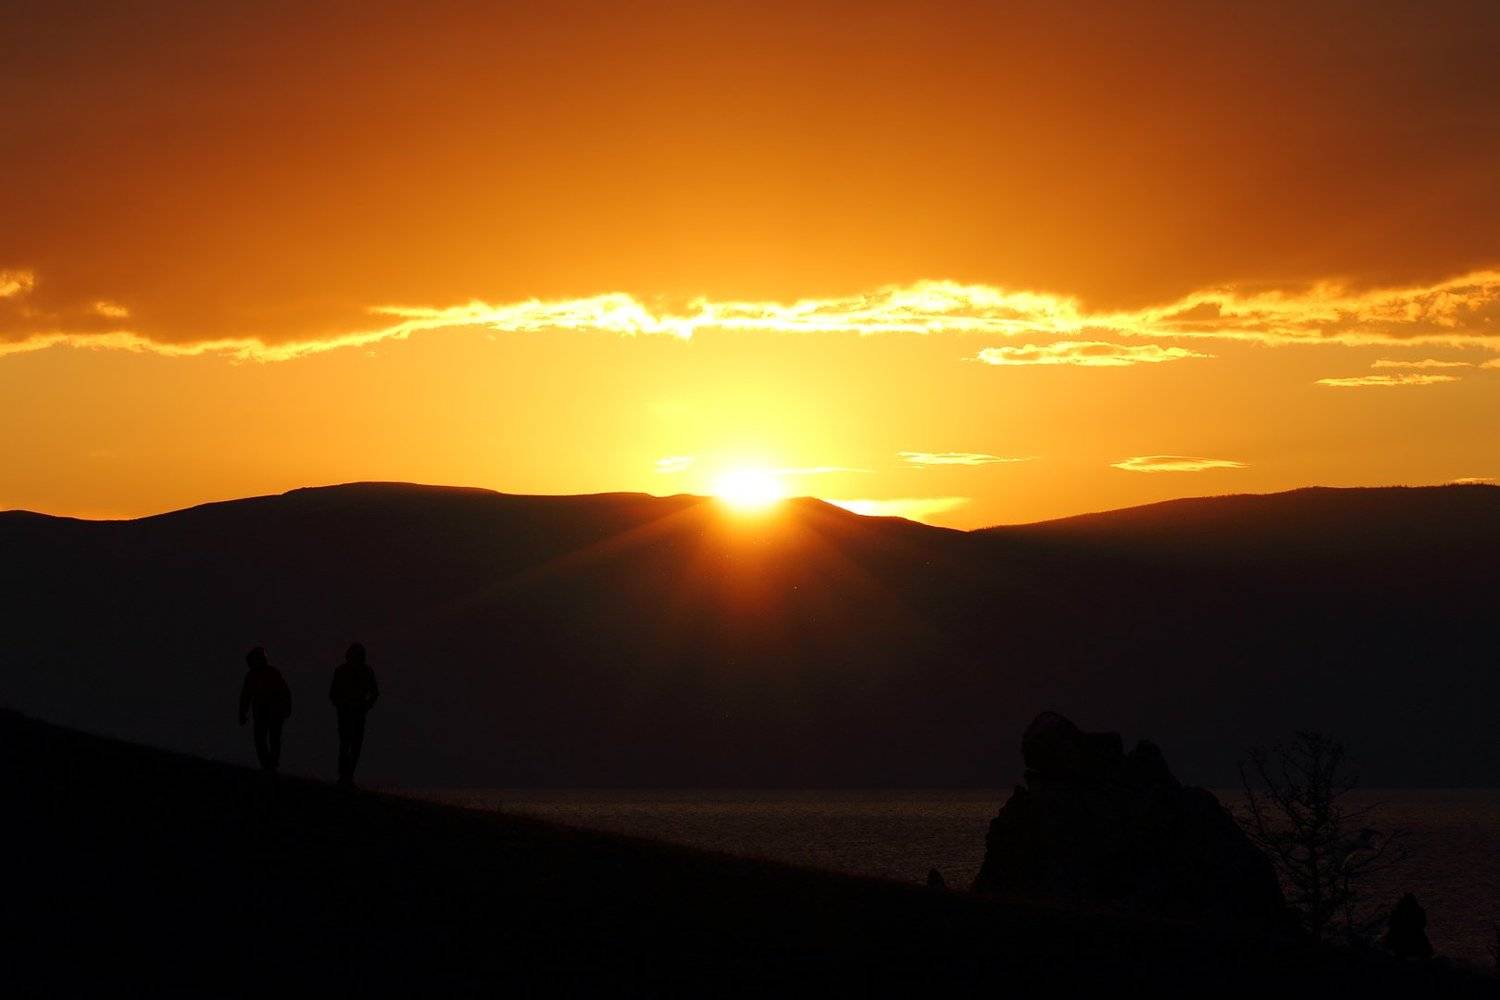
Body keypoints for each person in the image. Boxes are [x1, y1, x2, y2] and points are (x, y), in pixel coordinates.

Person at [329, 642, 379, 787]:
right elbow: (333, 693)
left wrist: (366, 706)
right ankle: (345, 776)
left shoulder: (363, 671)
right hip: (348, 713)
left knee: (351, 745)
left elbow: (374, 692)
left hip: (355, 713)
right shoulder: (344, 671)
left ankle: (346, 776)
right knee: (348, 745)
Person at [238, 647, 291, 772]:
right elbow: (246, 695)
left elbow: (284, 692)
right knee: (262, 739)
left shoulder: (272, 673)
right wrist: (242, 712)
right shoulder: (252, 675)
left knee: (272, 738)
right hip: (263, 712)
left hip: (274, 712)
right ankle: (268, 764)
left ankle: (271, 764)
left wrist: (286, 707)